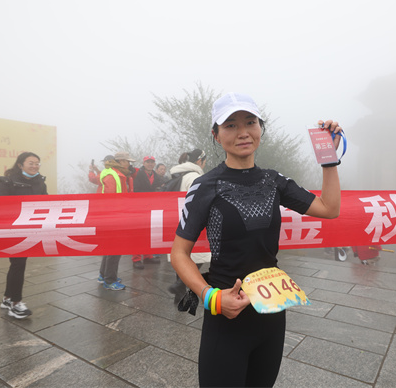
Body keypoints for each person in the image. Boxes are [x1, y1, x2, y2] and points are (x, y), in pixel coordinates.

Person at [170, 92, 341, 387]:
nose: (243, 132)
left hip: (272, 311)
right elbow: (179, 253)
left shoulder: (273, 181)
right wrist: (210, 297)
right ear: (216, 134)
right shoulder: (205, 186)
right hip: (226, 314)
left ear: (261, 128)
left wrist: (329, 158)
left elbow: (329, 208)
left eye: (250, 122)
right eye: (231, 125)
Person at [0, 152, 48, 319]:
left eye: (37, 163)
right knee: (18, 263)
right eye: (31, 163)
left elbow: (46, 203)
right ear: (20, 165)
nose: (34, 166)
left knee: (18, 263)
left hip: (30, 229)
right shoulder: (7, 182)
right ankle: (15, 304)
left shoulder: (40, 183)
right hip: (12, 229)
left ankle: (7, 298)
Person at [167, 149, 209, 302]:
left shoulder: (179, 175)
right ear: (199, 161)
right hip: (192, 223)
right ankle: (180, 284)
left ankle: (179, 294)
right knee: (199, 257)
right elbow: (200, 200)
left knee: (182, 256)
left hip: (178, 222)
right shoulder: (194, 177)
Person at [97, 151, 134, 290]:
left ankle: (103, 275)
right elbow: (110, 198)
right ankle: (110, 280)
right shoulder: (113, 175)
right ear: (120, 162)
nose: (129, 164)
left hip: (113, 215)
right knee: (115, 248)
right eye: (127, 161)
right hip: (114, 217)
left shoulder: (116, 174)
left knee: (109, 247)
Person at [132, 155, 164, 268]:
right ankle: (136, 259)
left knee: (149, 232)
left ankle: (147, 256)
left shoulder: (157, 176)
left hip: (152, 207)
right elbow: (136, 190)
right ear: (143, 163)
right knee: (138, 233)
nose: (150, 164)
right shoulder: (138, 175)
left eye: (152, 162)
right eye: (148, 162)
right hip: (139, 207)